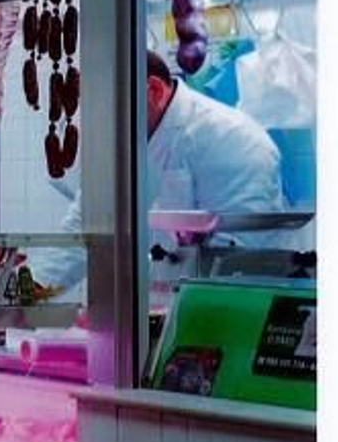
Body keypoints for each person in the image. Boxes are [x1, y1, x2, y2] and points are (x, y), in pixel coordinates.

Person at [30, 50, 286, 289]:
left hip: (224, 316)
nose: (99, 120)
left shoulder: (232, 138)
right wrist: (27, 295)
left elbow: (235, 261)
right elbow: (84, 231)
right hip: (151, 316)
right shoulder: (124, 143)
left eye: (106, 106)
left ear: (152, 90)